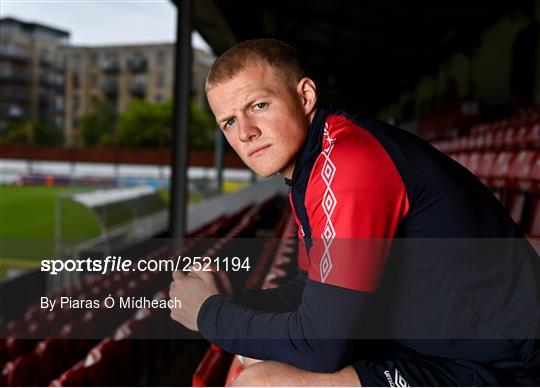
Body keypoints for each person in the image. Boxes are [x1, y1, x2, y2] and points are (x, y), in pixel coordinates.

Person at [169, 39, 540, 386]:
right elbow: (310, 289)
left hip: (509, 363)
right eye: (229, 122)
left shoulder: (348, 161)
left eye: (258, 106)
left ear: (305, 96)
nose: (245, 132)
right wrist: (229, 303)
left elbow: (322, 346)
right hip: (441, 346)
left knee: (262, 382)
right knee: (251, 352)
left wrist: (208, 313)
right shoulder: (312, 167)